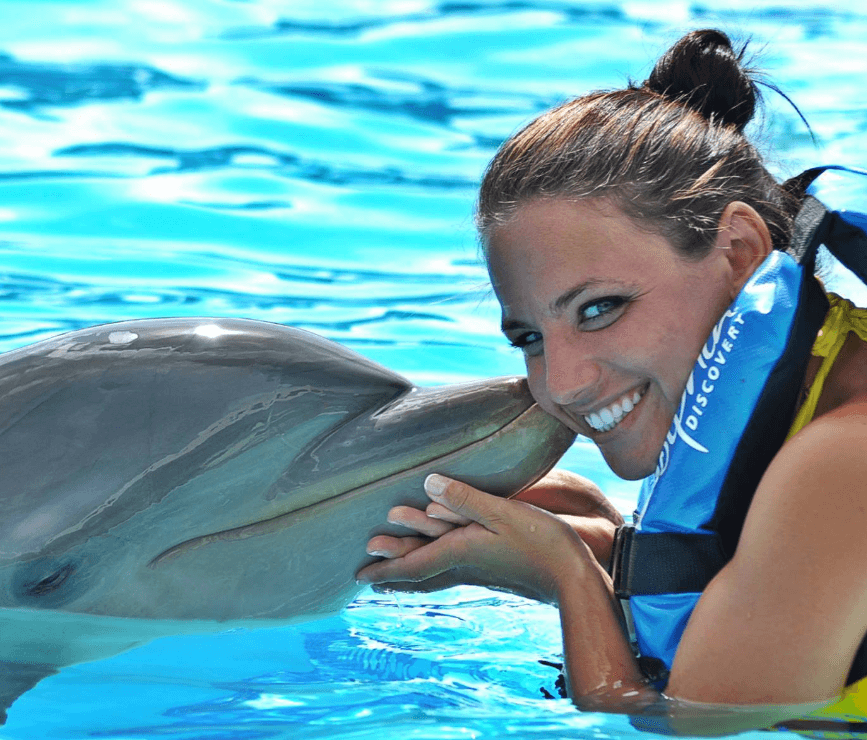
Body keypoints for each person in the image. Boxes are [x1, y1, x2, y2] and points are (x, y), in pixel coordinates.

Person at [356, 29, 867, 734]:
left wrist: (561, 573)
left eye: (600, 309)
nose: (561, 384)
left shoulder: (845, 458)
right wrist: (608, 541)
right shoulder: (812, 395)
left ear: (741, 252)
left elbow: (691, 723)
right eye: (529, 338)